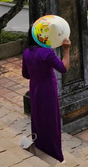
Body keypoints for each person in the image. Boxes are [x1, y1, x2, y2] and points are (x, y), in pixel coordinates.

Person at [22, 29, 71, 162]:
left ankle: (40, 147)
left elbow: (25, 74)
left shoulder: (27, 52)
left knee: (38, 119)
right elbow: (63, 68)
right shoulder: (47, 53)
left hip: (35, 89)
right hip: (48, 89)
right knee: (51, 120)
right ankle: (55, 154)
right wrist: (66, 50)